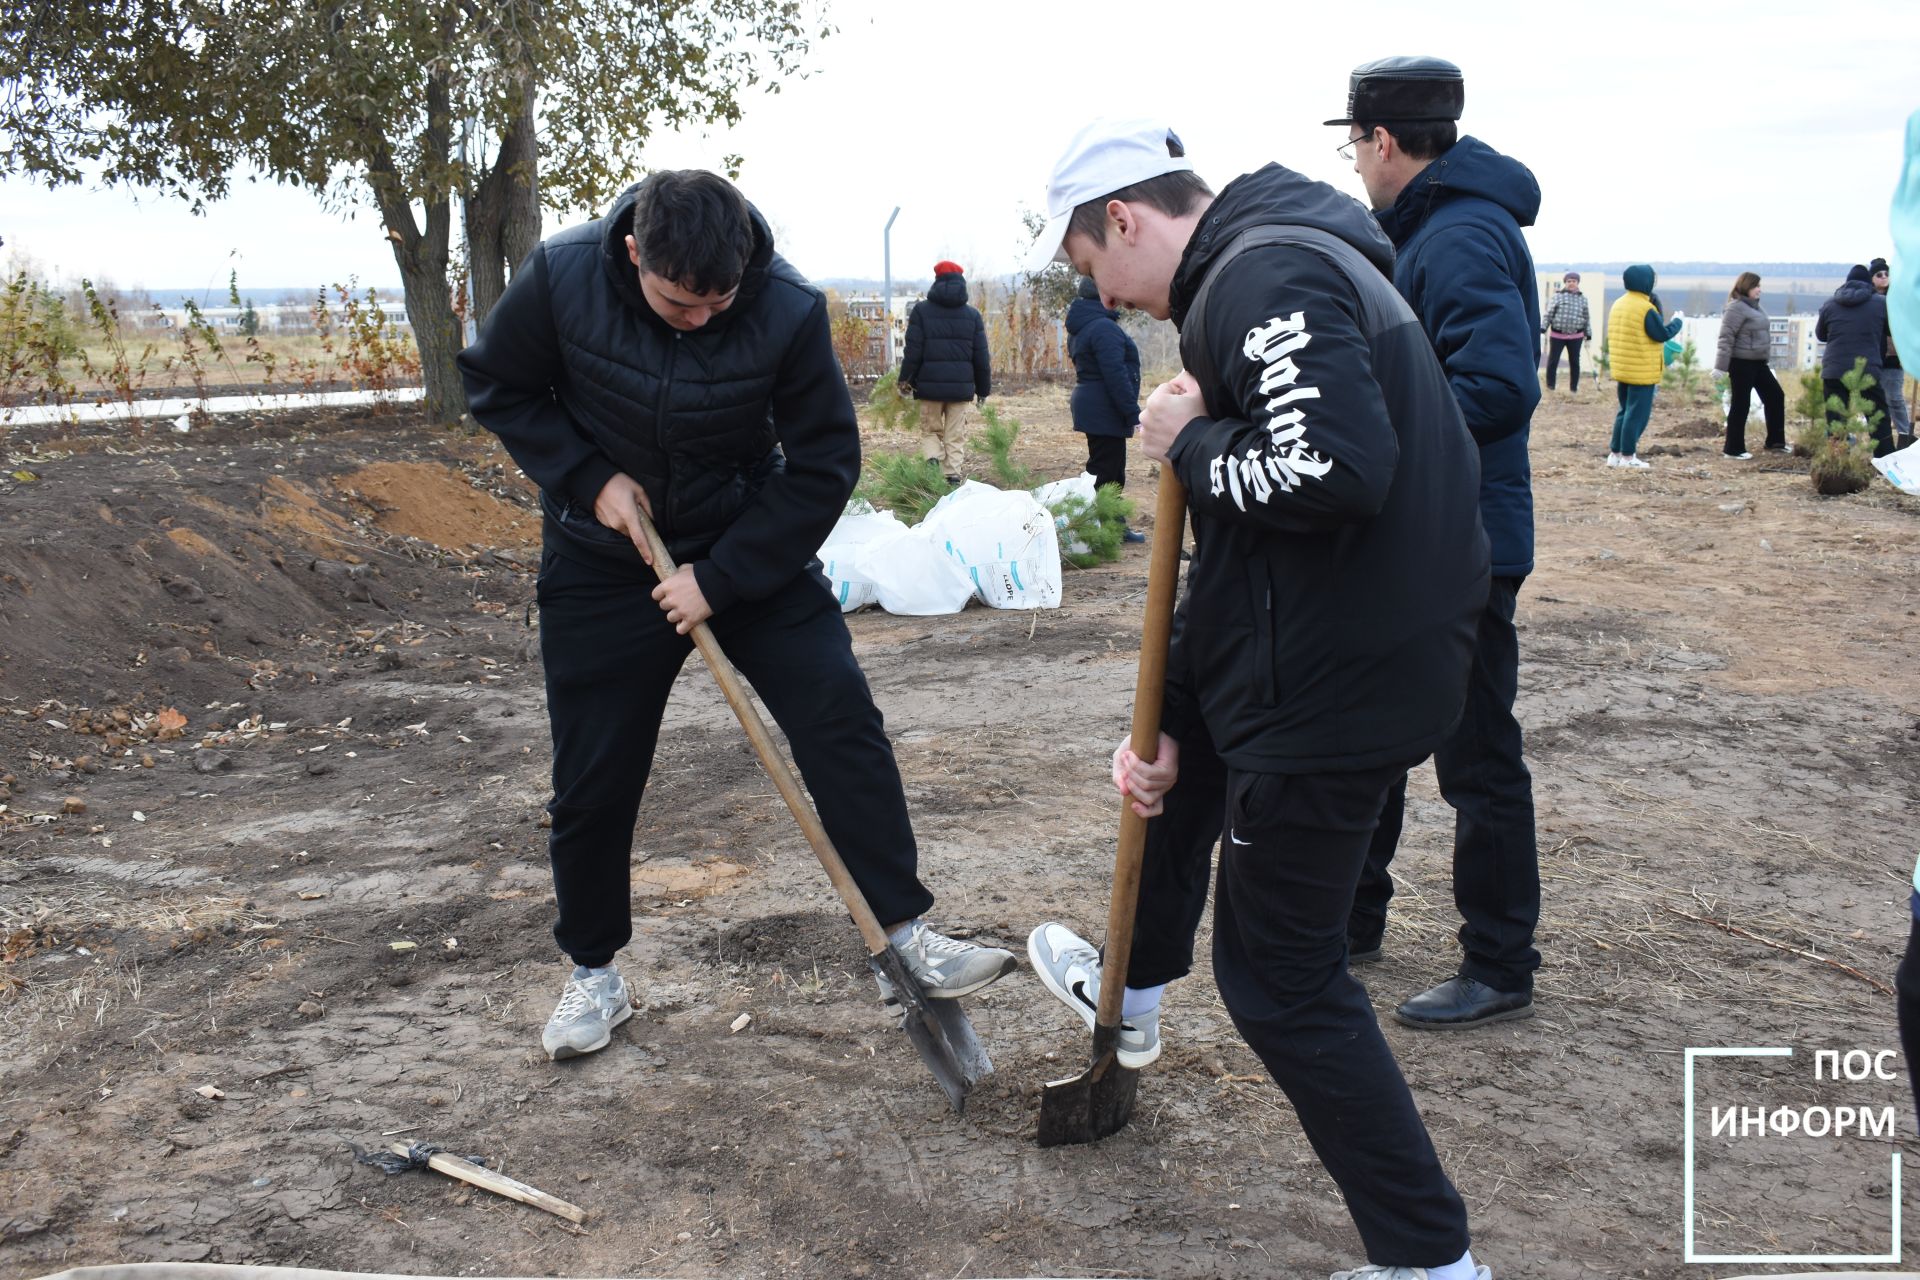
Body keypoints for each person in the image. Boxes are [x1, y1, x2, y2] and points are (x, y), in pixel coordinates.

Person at [1022, 117, 1494, 1280]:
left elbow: (1331, 467)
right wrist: (1175, 716)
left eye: (1094, 269)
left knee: (1280, 976)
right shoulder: (1275, 263)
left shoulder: (1261, 277)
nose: (1112, 299)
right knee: (1179, 797)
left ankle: (1432, 1260)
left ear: (1123, 220)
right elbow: (1246, 549)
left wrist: (1190, 442)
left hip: (1338, 676)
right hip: (1344, 647)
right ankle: (1128, 995)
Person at [456, 170, 1015, 1061]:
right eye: (682, 304)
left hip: (747, 547)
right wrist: (590, 479)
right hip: (603, 561)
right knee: (593, 777)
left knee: (839, 714)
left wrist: (722, 576)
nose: (704, 320)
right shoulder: (561, 275)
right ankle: (595, 973)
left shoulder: (785, 306)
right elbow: (499, 387)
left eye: (720, 303)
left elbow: (826, 459)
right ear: (634, 252)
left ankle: (903, 938)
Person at [1337, 56, 1543, 1030]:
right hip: (1421, 531)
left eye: (1354, 143)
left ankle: (1499, 961)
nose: (1353, 163)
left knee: (1475, 755)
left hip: (1461, 538)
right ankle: (1353, 918)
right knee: (1376, 728)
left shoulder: (1459, 236)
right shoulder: (1425, 231)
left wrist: (1389, 447)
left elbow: (1498, 386)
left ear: (1384, 142)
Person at [1065, 274, 1146, 542]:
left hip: (1094, 406)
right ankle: (1110, 528)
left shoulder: (1085, 326)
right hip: (1104, 408)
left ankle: (1102, 524)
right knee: (1109, 471)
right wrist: (1132, 412)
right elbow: (1115, 375)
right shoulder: (1103, 328)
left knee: (1103, 467)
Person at [898, 260, 991, 484]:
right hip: (960, 388)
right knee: (955, 435)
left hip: (929, 387)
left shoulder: (921, 311)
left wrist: (905, 381)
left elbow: (913, 351)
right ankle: (951, 478)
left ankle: (932, 461)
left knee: (930, 431)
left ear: (937, 281)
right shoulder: (972, 315)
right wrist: (983, 390)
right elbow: (981, 357)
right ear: (962, 283)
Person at [1605, 264, 1683, 468]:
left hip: (1623, 368)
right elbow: (1661, 334)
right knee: (1636, 415)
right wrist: (1678, 322)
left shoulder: (1619, 303)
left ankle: (1615, 454)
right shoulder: (1645, 308)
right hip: (1641, 370)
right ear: (1645, 282)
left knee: (1624, 411)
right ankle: (1629, 457)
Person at [1817, 264, 1894, 456]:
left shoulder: (1830, 303)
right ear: (1868, 282)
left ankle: (1837, 460)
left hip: (1834, 369)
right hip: (1866, 368)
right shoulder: (1880, 303)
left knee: (1836, 419)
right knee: (1878, 416)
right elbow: (1891, 331)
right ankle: (1884, 459)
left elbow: (1821, 335)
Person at [1715, 272, 1788, 458]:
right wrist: (1720, 367)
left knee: (1775, 396)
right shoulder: (1736, 308)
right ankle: (1733, 449)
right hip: (1741, 363)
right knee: (1741, 404)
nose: (1759, 289)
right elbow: (1726, 337)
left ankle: (1776, 442)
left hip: (1758, 363)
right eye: (1756, 286)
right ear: (1746, 286)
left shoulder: (1755, 307)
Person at [1870, 257, 1912, 446]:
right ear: (1872, 278)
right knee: (1875, 402)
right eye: (1879, 274)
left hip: (1893, 356)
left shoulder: (1896, 299)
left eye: (1887, 273)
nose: (1884, 277)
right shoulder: (1868, 300)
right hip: (1872, 357)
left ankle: (1905, 435)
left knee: (1895, 398)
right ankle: (1881, 439)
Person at [1542, 271, 1591, 393]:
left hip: (1576, 336)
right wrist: (1543, 327)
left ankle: (1573, 388)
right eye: (1569, 281)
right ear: (1565, 283)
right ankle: (1550, 386)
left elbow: (1586, 318)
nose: (1571, 283)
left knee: (1574, 362)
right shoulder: (1557, 297)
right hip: (1557, 335)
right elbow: (1549, 314)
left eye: (1574, 281)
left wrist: (1588, 333)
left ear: (1578, 283)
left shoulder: (1583, 299)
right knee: (1553, 361)